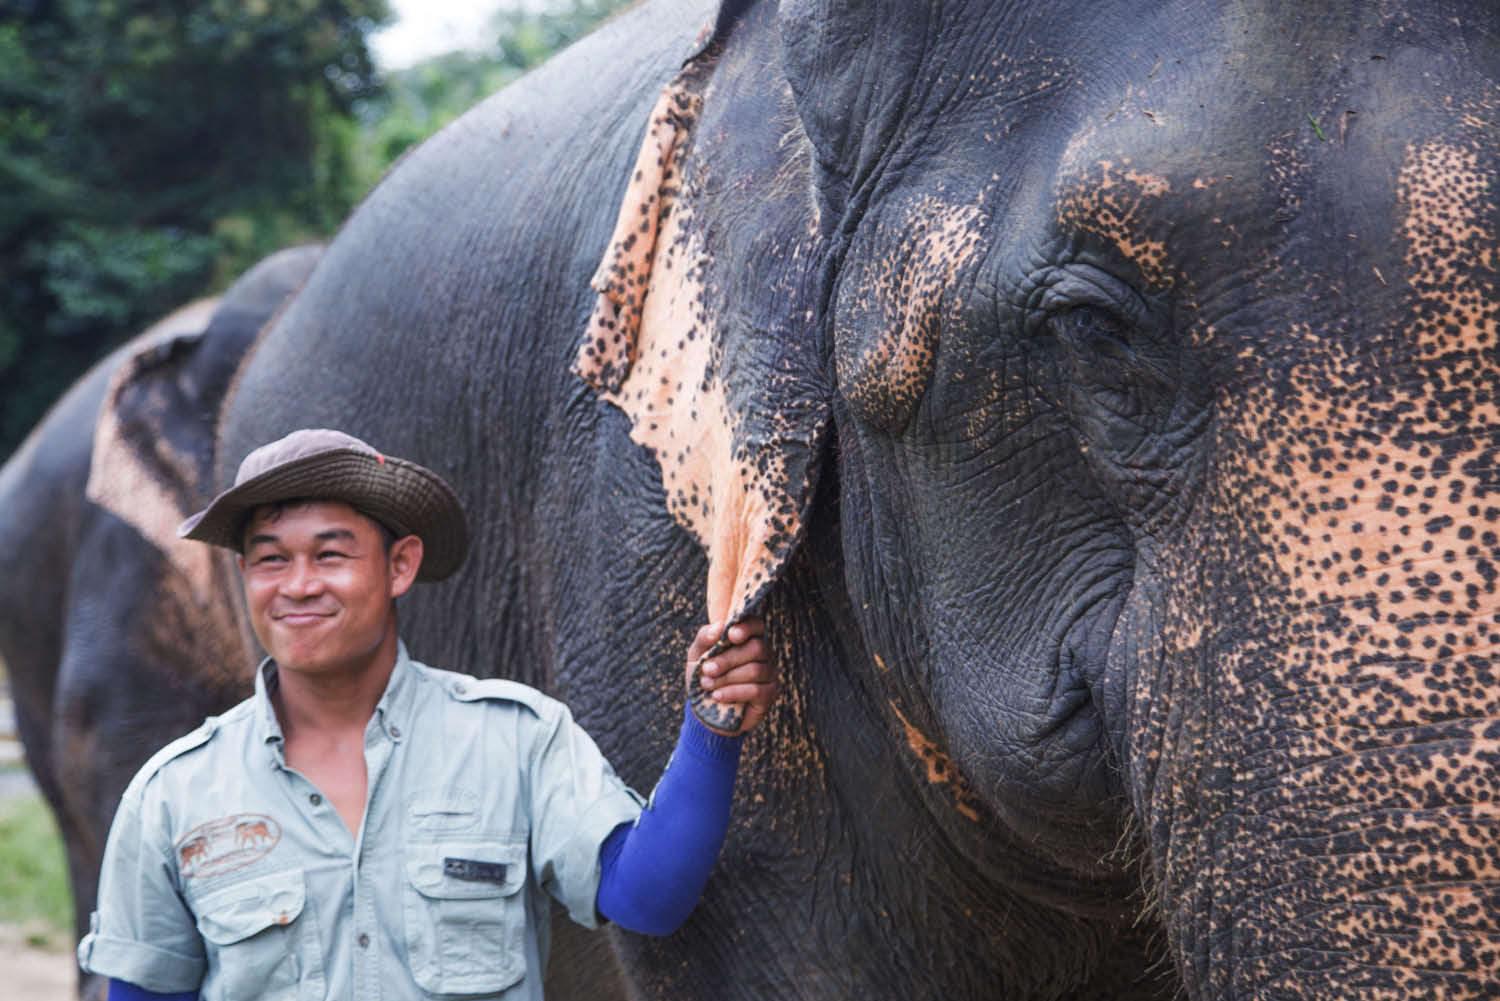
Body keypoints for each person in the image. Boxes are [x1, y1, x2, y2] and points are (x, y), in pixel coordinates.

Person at [77, 428, 780, 1001]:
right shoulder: (173, 793)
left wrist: (712, 729)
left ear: (401, 565)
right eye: (269, 559)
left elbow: (647, 896)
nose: (298, 585)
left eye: (331, 554)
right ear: (244, 577)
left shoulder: (515, 740)